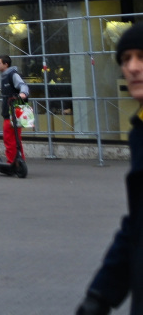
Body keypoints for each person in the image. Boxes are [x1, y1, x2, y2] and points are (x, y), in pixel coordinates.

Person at [77, 24, 143, 315]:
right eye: (125, 59)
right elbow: (139, 223)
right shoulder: (140, 130)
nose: (133, 67)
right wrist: (100, 294)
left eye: (141, 57)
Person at [0, 55, 29, 177]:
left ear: (6, 64)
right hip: (14, 109)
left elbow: (23, 86)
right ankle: (18, 161)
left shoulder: (13, 75)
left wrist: (23, 94)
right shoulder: (4, 76)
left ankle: (13, 162)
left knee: (10, 138)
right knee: (16, 139)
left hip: (15, 110)